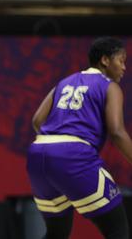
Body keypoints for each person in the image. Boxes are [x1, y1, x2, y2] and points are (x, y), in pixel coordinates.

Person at [28, 37, 132, 239]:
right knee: (117, 229)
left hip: (38, 154)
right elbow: (117, 131)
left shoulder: (64, 82)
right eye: (121, 60)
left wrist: (55, 145)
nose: (124, 67)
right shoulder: (110, 87)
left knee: (57, 232)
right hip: (73, 155)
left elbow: (37, 120)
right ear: (105, 60)